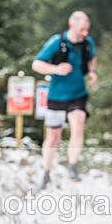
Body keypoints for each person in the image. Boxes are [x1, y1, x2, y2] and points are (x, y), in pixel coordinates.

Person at [31, 11, 97, 188]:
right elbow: (36, 64)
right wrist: (55, 69)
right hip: (56, 96)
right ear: (71, 26)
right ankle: (46, 171)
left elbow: (92, 59)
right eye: (82, 30)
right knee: (53, 136)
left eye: (87, 29)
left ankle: (72, 165)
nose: (85, 33)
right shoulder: (57, 42)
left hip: (78, 94)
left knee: (78, 125)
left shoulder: (87, 43)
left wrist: (91, 72)